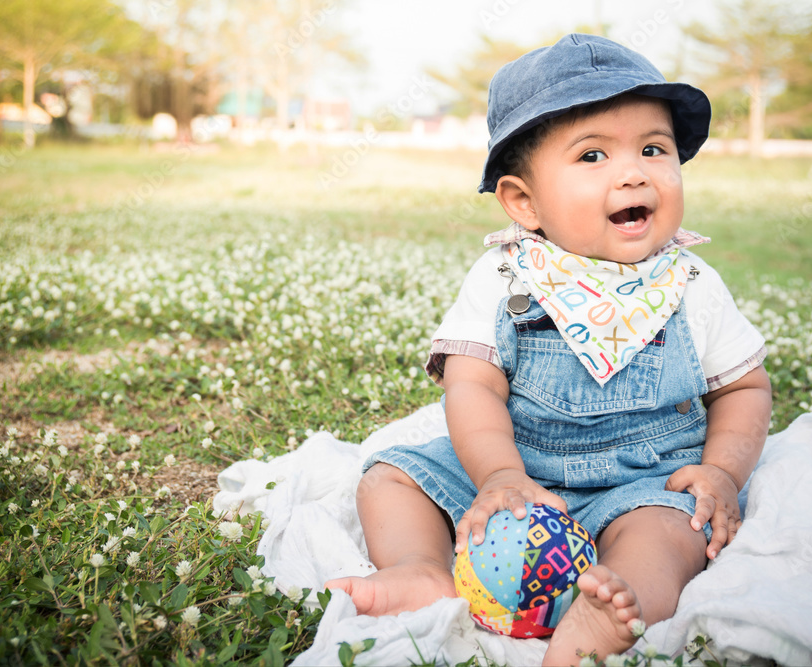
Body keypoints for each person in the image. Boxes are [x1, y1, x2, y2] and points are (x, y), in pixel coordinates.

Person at [327, 34, 772, 665]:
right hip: (517, 467)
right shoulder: (504, 276)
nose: (633, 172)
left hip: (643, 480)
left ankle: (610, 609)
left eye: (654, 149)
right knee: (391, 480)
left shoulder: (690, 283)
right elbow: (472, 383)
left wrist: (723, 472)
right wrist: (498, 475)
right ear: (524, 202)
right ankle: (420, 568)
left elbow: (743, 387)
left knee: (674, 533)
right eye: (592, 155)